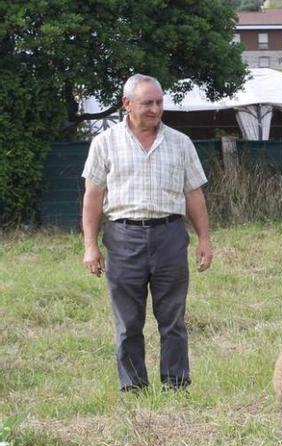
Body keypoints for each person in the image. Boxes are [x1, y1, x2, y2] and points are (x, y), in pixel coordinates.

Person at [81, 73, 213, 392]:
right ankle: (134, 387)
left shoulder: (180, 143)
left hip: (169, 236)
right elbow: (93, 197)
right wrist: (90, 246)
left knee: (173, 320)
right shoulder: (105, 143)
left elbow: (194, 194)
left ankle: (176, 384)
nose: (155, 109)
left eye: (159, 102)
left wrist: (204, 240)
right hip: (123, 238)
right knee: (128, 323)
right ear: (127, 104)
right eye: (147, 103)